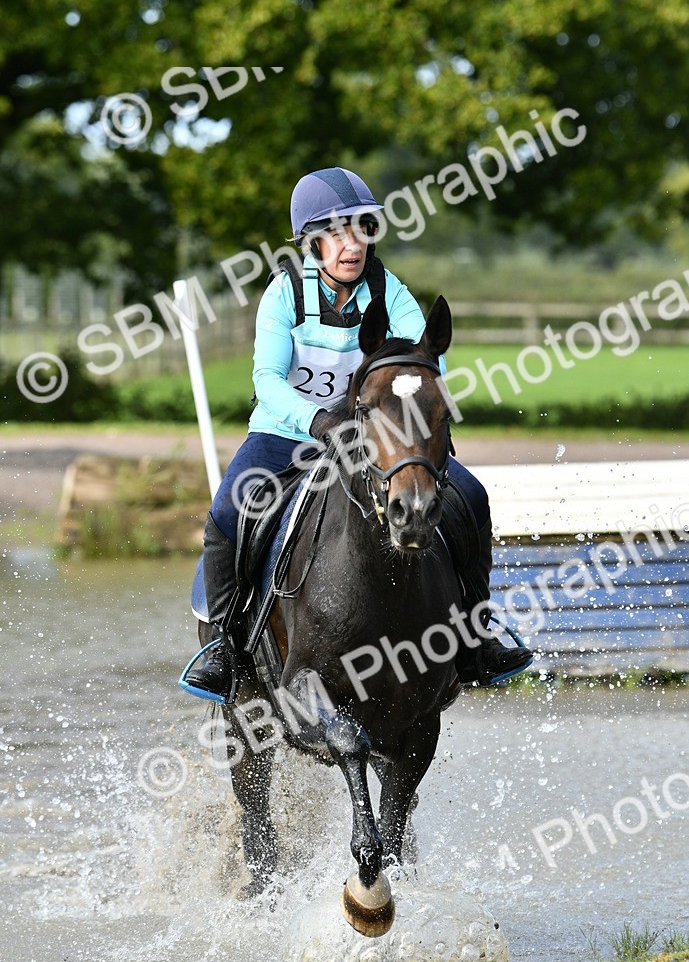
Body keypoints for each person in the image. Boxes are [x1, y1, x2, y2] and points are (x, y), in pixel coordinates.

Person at [184, 167, 533, 700]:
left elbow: (421, 359)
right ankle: (225, 649)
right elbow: (266, 381)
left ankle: (476, 635)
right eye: (339, 232)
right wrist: (319, 421)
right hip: (287, 433)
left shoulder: (389, 291)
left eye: (363, 230)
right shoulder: (283, 295)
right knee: (227, 515)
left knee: (473, 498)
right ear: (312, 241)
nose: (353, 245)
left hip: (378, 437)